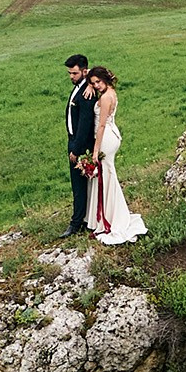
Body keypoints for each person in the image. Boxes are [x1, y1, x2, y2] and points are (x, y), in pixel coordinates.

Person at [83, 64, 147, 246]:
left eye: (97, 82)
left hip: (105, 138)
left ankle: (110, 218)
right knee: (106, 176)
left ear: (104, 79)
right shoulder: (110, 92)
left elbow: (101, 126)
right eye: (93, 83)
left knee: (106, 177)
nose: (95, 85)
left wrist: (95, 151)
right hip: (112, 134)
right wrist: (89, 84)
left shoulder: (105, 99)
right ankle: (103, 216)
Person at [64, 53, 99, 237]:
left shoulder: (87, 92)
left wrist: (76, 150)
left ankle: (76, 223)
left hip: (79, 144)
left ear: (84, 71)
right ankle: (84, 218)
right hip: (74, 140)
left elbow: (85, 123)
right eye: (69, 73)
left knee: (78, 185)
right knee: (79, 184)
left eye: (75, 73)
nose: (71, 76)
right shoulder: (83, 86)